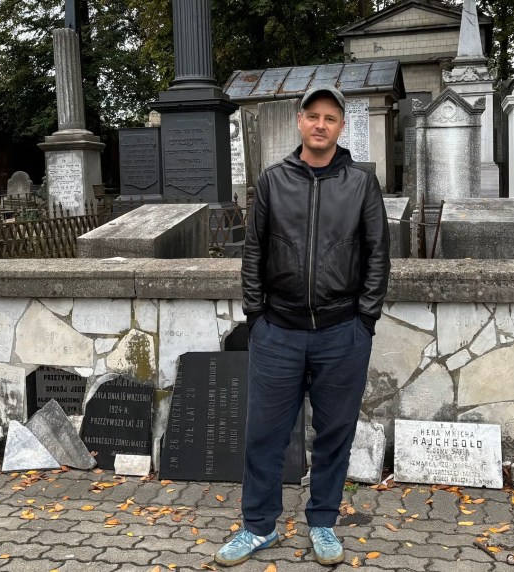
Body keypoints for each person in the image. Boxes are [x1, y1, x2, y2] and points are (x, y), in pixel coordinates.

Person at [215, 86, 390, 567]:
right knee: (265, 435)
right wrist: (257, 316)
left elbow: (377, 253)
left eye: (329, 118)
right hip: (279, 330)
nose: (320, 124)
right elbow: (254, 251)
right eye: (312, 116)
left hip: (342, 332)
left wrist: (366, 319)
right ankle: (258, 527)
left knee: (335, 433)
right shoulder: (273, 180)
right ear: (299, 121)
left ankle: (323, 523)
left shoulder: (360, 183)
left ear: (340, 127)